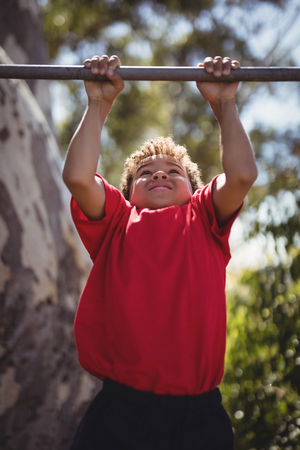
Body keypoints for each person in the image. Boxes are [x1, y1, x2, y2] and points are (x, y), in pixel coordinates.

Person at [63, 54, 257, 450]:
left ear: (194, 187)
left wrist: (224, 104)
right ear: (128, 191)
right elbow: (78, 177)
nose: (160, 174)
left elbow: (241, 175)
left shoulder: (204, 215)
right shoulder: (116, 219)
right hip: (120, 410)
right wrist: (98, 104)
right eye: (145, 173)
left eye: (174, 171)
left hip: (198, 417)